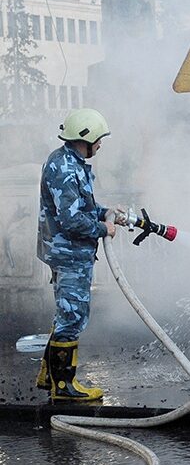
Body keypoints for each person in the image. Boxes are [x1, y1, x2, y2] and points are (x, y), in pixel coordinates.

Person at [34, 108, 126, 401]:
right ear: (84, 138)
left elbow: (80, 209)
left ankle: (49, 374)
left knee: (66, 313)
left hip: (68, 251)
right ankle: (64, 388)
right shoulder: (65, 168)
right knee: (72, 317)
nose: (100, 145)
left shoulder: (70, 162)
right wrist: (103, 228)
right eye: (99, 140)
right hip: (69, 253)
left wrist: (106, 213)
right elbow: (72, 221)